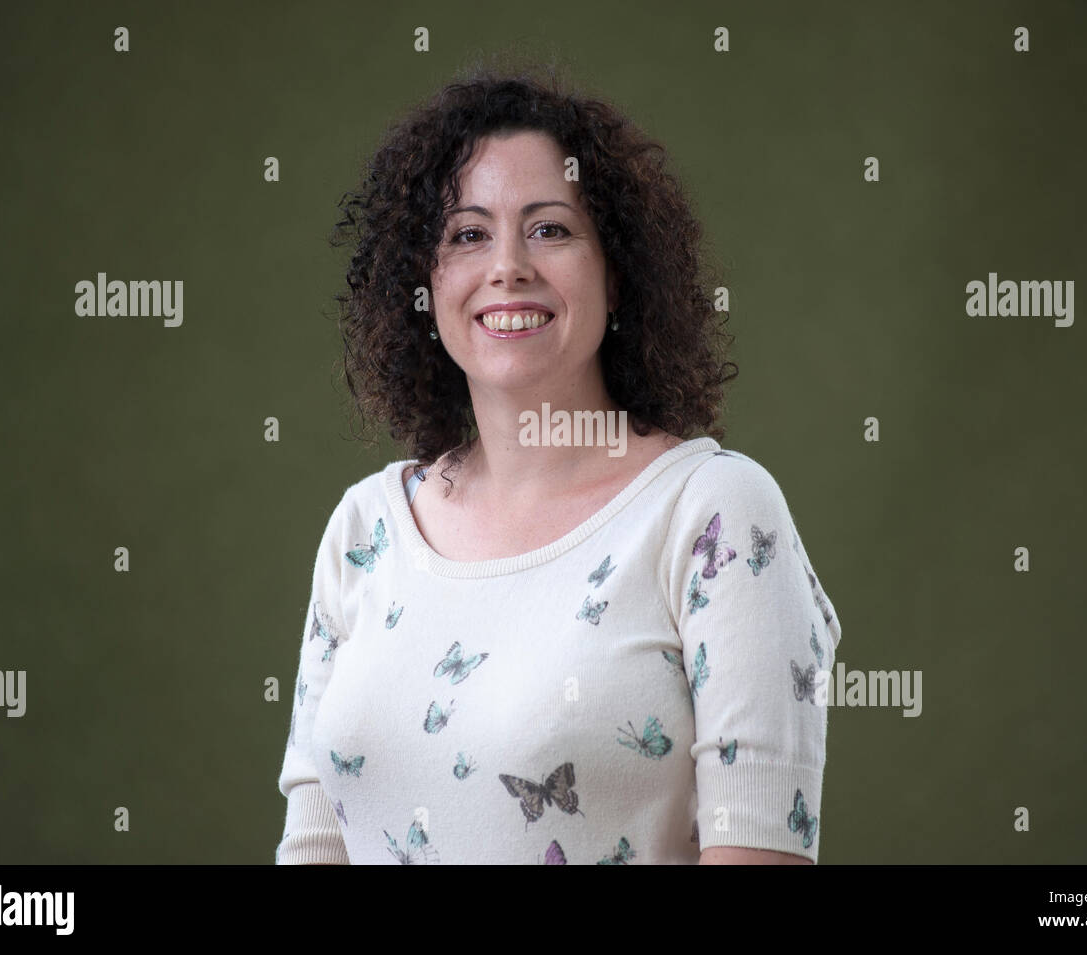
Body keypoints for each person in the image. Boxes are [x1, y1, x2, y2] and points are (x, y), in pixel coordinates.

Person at [275, 63, 841, 865]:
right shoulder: (364, 530)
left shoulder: (714, 512)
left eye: (549, 228)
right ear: (424, 284)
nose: (507, 265)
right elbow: (313, 848)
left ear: (618, 275)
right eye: (468, 234)